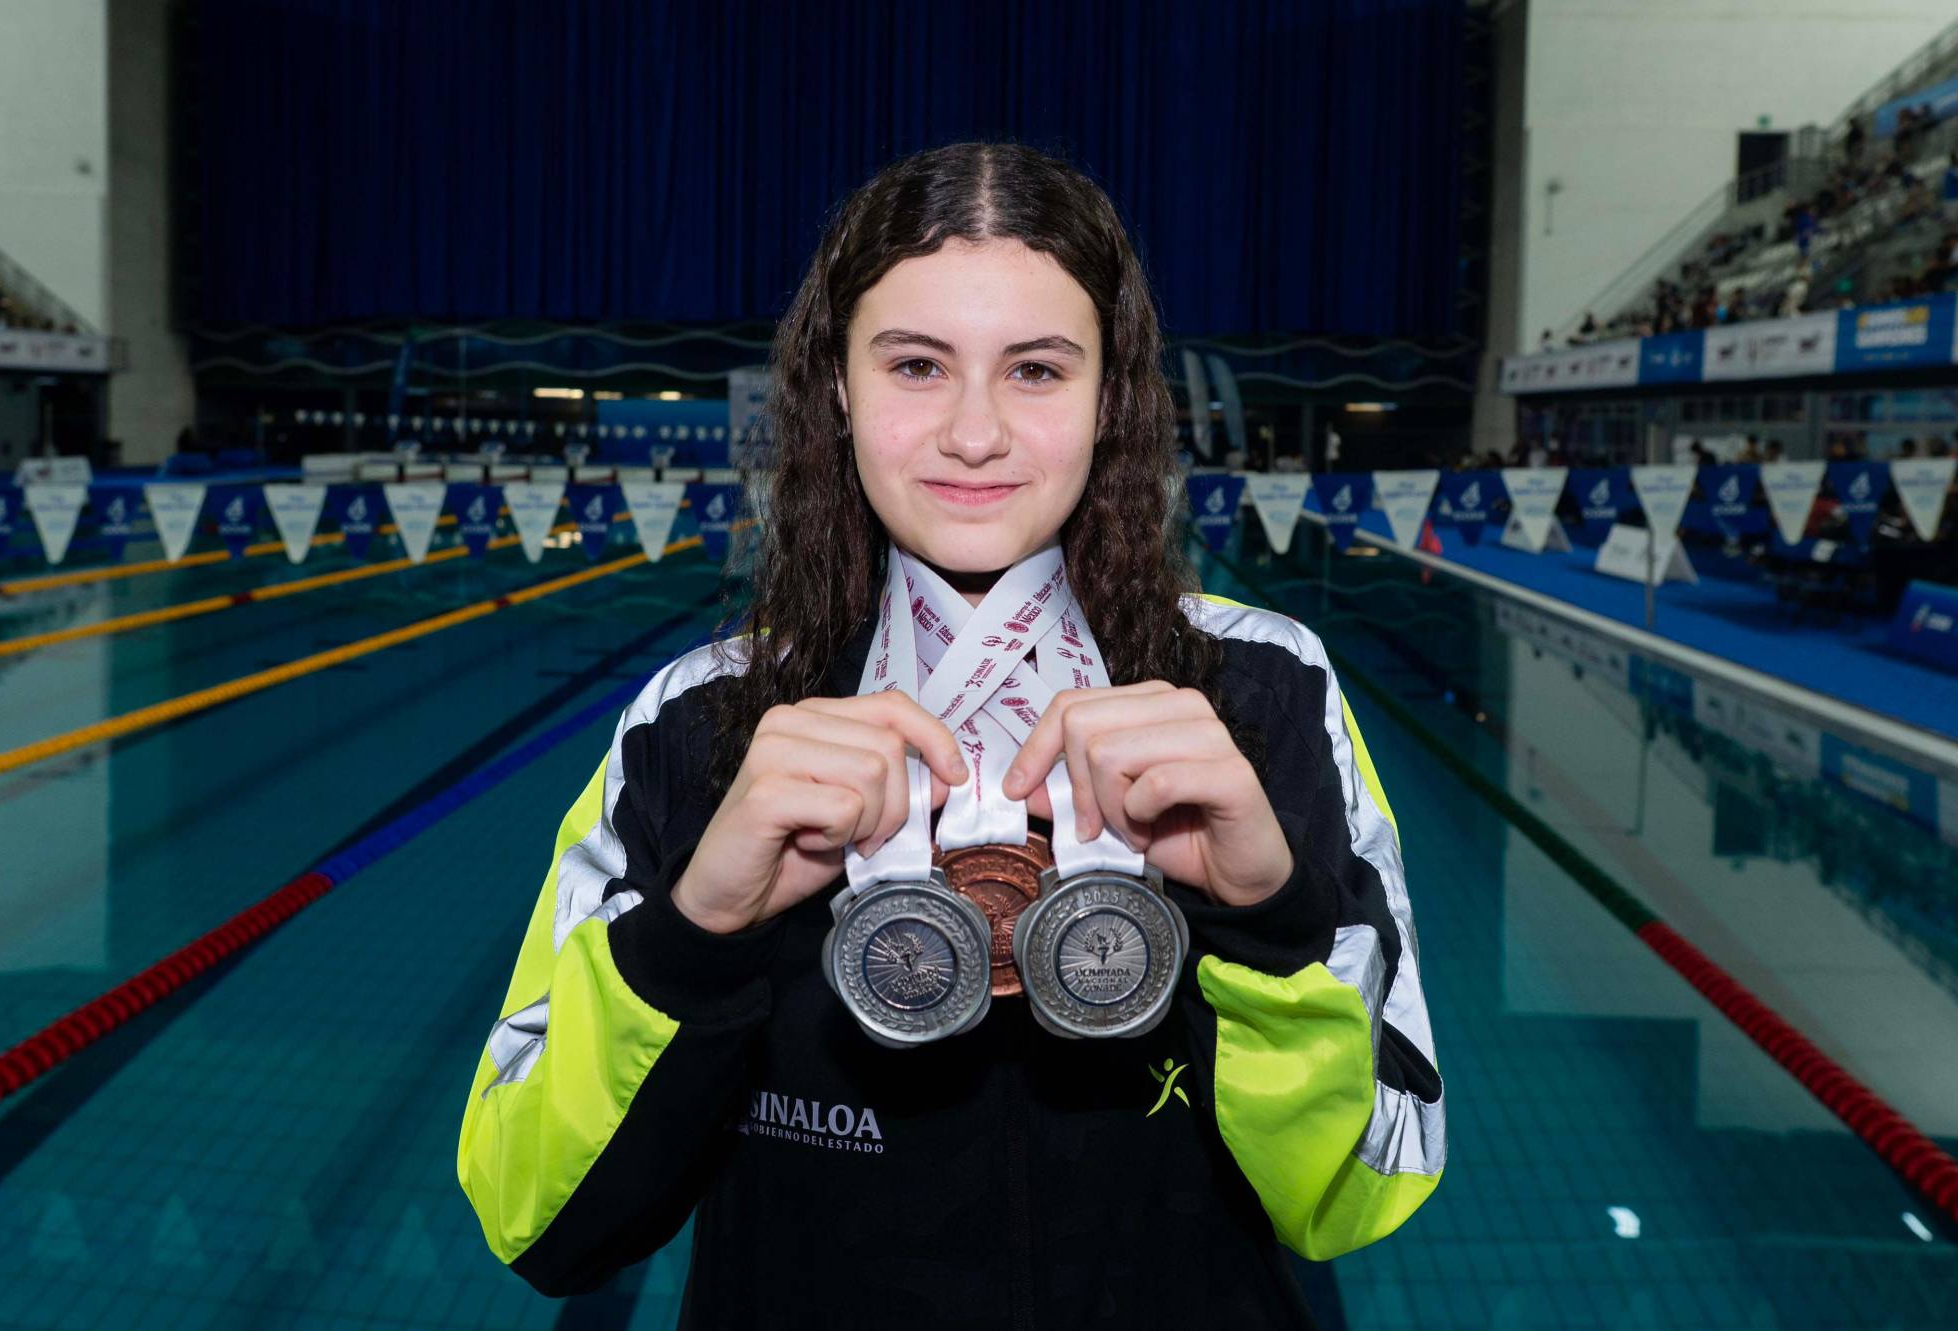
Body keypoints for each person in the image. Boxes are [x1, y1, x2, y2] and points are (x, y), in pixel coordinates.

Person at [456, 143, 1443, 1329]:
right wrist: (690, 940)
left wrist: (1271, 927)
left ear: (1107, 395)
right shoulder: (697, 720)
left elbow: (1365, 1186)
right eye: (916, 365)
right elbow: (538, 1220)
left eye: (1034, 370)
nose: (973, 434)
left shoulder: (1261, 690)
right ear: (835, 386)